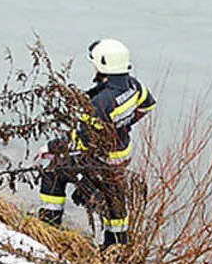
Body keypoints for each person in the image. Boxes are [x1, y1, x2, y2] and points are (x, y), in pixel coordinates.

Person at [38, 38, 157, 248]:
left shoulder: (99, 104)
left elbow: (82, 142)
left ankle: (48, 226)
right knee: (115, 196)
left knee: (54, 172)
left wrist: (51, 147)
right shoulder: (133, 86)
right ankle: (117, 245)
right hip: (121, 155)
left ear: (102, 65)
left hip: (99, 161)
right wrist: (124, 124)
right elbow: (147, 105)